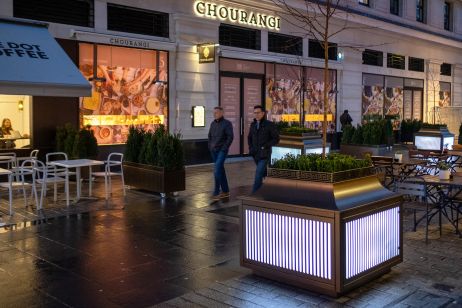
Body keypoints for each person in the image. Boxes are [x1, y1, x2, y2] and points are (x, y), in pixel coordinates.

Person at [248, 105, 280, 193]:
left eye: (258, 113)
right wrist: (251, 148)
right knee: (263, 172)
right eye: (254, 113)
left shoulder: (269, 125)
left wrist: (265, 146)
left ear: (263, 113)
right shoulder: (253, 124)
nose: (256, 115)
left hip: (265, 154)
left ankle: (254, 194)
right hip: (255, 154)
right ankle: (267, 187)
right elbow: (249, 138)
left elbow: (276, 139)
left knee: (258, 173)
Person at [208, 106, 234, 200]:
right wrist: (210, 146)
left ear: (222, 113)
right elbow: (210, 136)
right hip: (213, 151)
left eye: (217, 112)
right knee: (220, 170)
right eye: (214, 112)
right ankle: (226, 191)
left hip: (222, 151)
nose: (214, 114)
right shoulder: (212, 124)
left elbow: (230, 137)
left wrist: (224, 148)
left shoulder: (227, 124)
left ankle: (216, 192)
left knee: (217, 169)